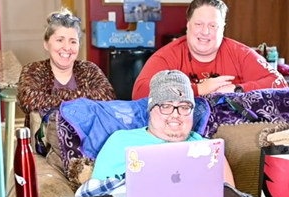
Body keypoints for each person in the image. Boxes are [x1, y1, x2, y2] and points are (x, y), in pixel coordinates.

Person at [92, 70, 235, 186]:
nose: (175, 115)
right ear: (150, 110)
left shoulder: (210, 149)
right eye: (165, 106)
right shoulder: (120, 141)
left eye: (184, 107)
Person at [132, 0, 288, 100]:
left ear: (222, 28)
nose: (205, 32)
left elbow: (280, 84)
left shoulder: (241, 53)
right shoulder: (167, 56)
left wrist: (237, 89)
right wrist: (199, 89)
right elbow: (139, 93)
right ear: (188, 26)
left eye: (213, 26)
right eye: (199, 24)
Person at [17, 7, 116, 126]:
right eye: (60, 40)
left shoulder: (89, 69)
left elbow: (108, 97)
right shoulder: (33, 70)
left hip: (87, 141)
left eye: (73, 41)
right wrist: (83, 99)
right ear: (46, 43)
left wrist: (52, 98)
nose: (67, 47)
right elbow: (28, 100)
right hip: (43, 142)